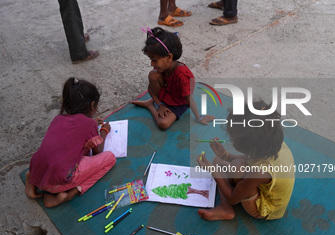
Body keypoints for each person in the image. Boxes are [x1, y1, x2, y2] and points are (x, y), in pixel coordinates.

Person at [25, 78, 116, 207]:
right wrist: (104, 131)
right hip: (58, 183)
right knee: (110, 159)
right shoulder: (88, 124)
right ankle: (69, 194)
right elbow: (98, 152)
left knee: (61, 154)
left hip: (37, 172)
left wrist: (91, 125)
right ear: (92, 105)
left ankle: (31, 183)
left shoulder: (58, 119)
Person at [197, 100, 295, 220]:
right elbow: (252, 159)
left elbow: (233, 199)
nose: (231, 141)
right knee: (219, 161)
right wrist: (224, 155)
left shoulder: (260, 172)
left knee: (235, 167)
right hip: (262, 182)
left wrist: (212, 170)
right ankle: (231, 194)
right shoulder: (270, 142)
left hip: (264, 209)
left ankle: (225, 208)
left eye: (232, 140)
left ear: (249, 145)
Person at [132, 27, 214, 130]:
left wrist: (199, 118)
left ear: (169, 57)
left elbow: (189, 99)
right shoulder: (164, 67)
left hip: (179, 102)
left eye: (154, 60)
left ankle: (150, 105)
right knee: (152, 74)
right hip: (166, 95)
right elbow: (150, 88)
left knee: (163, 124)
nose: (151, 64)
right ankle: (156, 102)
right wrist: (160, 105)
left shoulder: (181, 74)